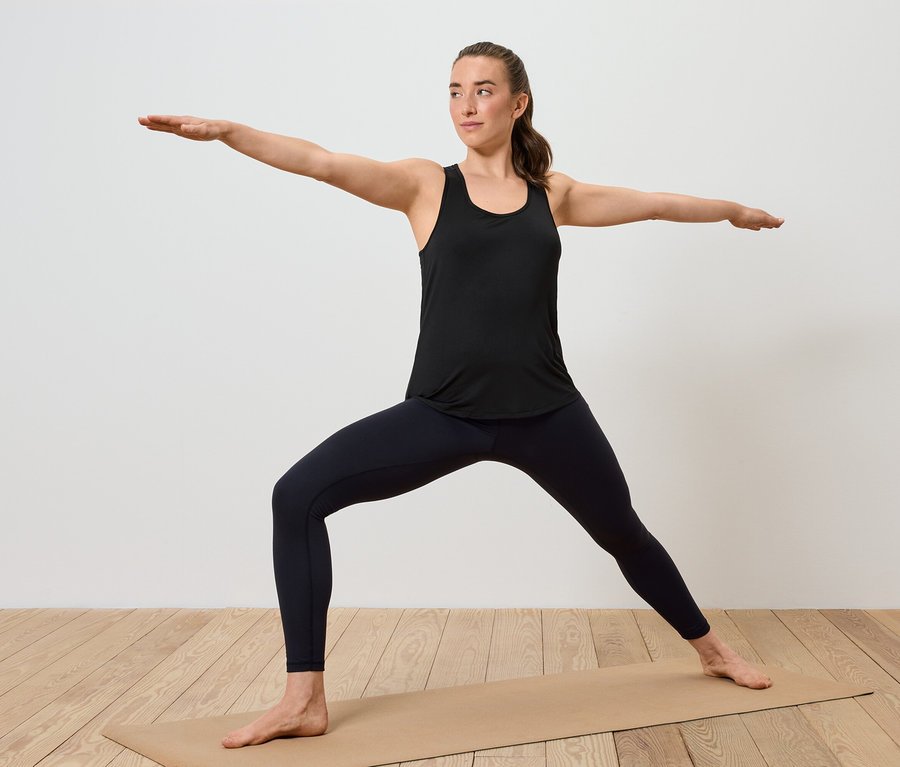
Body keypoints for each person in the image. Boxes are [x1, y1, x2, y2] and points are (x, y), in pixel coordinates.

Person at [140, 41, 783, 749]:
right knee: (296, 496)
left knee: (621, 530)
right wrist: (227, 132)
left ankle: (714, 651)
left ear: (518, 103)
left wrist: (731, 210)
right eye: (454, 91)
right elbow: (321, 161)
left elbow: (655, 203)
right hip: (444, 414)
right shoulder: (424, 186)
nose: (466, 105)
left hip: (548, 413)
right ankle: (304, 696)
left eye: (482, 90)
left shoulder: (552, 194)